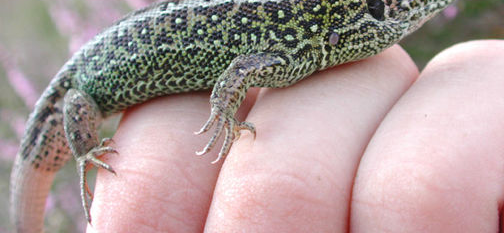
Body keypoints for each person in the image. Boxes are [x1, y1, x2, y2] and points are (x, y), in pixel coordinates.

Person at [86, 40, 504, 232]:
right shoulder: (300, 38)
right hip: (90, 85)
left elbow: (242, 68)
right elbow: (240, 71)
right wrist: (223, 109)